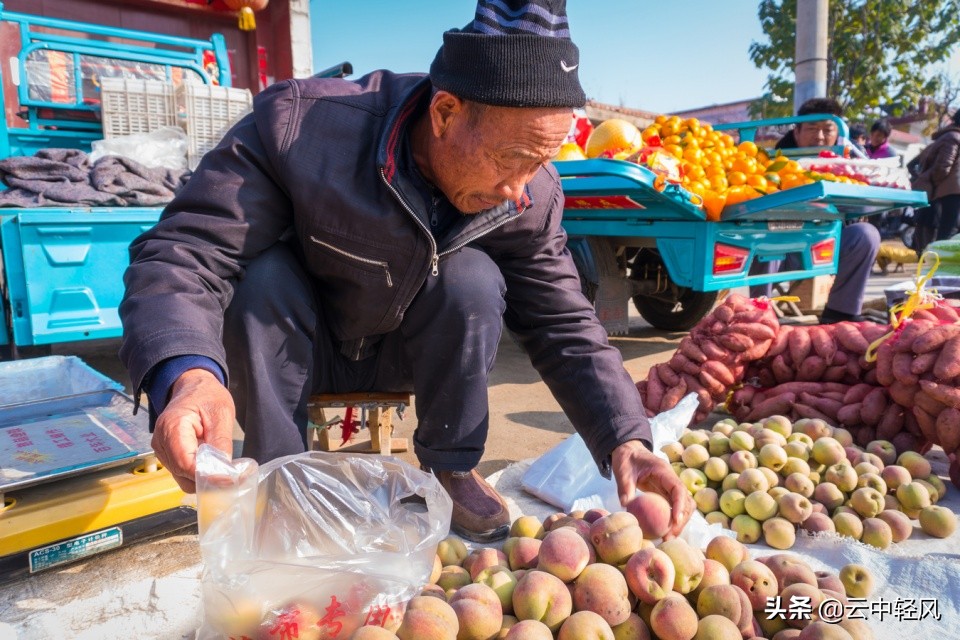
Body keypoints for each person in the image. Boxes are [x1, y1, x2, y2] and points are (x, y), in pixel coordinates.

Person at [118, 0, 693, 543]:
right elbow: (185, 251)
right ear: (445, 112)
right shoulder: (301, 129)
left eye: (538, 164)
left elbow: (564, 321)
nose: (519, 188)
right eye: (509, 160)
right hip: (303, 344)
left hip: (406, 350)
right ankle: (283, 480)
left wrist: (626, 436)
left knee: (472, 278)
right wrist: (188, 376)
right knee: (262, 280)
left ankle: (450, 468)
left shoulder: (530, 194)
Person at [752, 98, 880, 324]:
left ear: (838, 132)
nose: (820, 137)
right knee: (766, 235)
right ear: (797, 131)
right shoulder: (771, 163)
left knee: (866, 235)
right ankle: (759, 316)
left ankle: (841, 313)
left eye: (827, 129)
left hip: (824, 246)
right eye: (812, 129)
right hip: (779, 250)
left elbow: (866, 205)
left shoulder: (850, 163)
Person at [909, 110, 960, 254]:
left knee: (948, 231)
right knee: (948, 232)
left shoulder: (949, 136)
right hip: (952, 192)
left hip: (949, 190)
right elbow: (943, 166)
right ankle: (940, 268)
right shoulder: (954, 137)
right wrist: (936, 183)